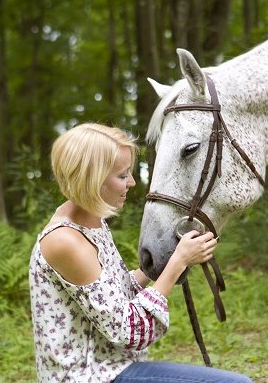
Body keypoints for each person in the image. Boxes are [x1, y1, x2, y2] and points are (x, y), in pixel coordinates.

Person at [29, 122, 253, 383]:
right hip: (89, 376)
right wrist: (178, 262)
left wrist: (169, 259)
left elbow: (113, 296)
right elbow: (129, 331)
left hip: (111, 368)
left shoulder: (89, 221)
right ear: (92, 179)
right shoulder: (66, 241)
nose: (132, 182)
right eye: (122, 175)